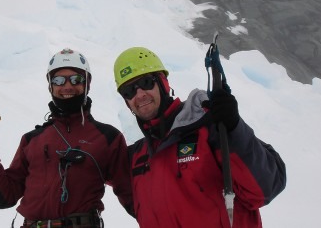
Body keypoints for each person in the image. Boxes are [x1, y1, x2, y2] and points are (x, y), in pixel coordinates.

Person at [113, 47, 286, 228]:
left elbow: (265, 187)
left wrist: (234, 128)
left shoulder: (208, 126)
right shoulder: (138, 158)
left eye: (147, 82)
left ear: (163, 83)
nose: (139, 95)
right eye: (128, 91)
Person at [0, 48, 133, 228]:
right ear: (50, 85)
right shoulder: (32, 140)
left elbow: (133, 196)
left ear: (87, 84)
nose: (67, 86)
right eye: (59, 80)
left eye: (76, 79)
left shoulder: (108, 138)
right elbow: (5, 197)